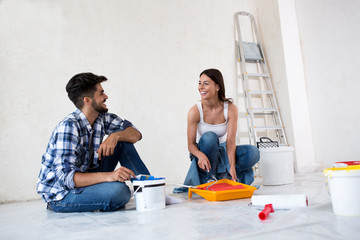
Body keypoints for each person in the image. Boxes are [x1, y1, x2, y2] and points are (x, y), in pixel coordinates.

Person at [37, 72, 150, 212]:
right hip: (62, 194)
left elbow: (136, 134)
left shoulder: (102, 118)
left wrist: (114, 137)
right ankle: (132, 193)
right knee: (120, 191)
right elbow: (66, 178)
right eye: (101, 93)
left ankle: (149, 190)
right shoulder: (68, 127)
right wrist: (110, 176)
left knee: (122, 140)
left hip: (86, 177)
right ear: (88, 100)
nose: (106, 97)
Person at [174, 68, 260, 193]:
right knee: (209, 137)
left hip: (223, 151)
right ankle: (211, 178)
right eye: (199, 83)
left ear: (217, 87)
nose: (201, 87)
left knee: (253, 152)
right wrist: (201, 155)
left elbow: (230, 141)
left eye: (206, 83)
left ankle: (226, 175)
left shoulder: (230, 108)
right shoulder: (195, 111)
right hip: (206, 153)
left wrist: (232, 166)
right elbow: (191, 145)